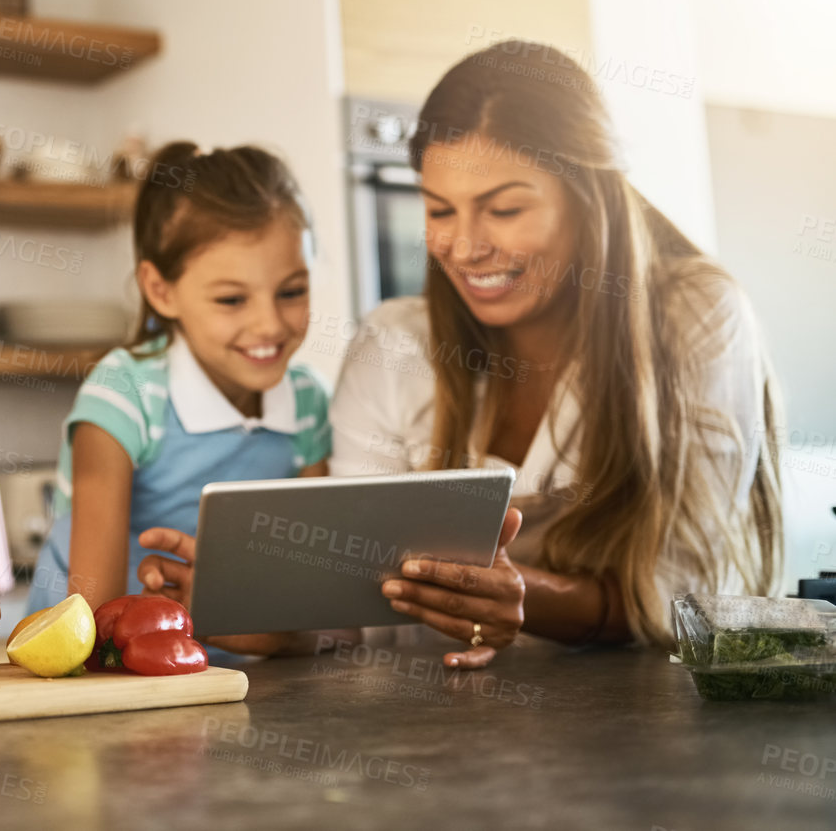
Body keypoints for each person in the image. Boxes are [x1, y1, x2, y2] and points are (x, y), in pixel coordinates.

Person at [326, 39, 782, 661]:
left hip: (640, 732)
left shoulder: (692, 318)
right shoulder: (392, 344)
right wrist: (277, 619)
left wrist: (526, 598)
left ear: (588, 197)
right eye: (439, 210)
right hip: (430, 732)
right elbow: (360, 604)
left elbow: (687, 593)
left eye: (505, 208)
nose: (464, 246)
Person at [25, 143, 334, 638]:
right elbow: (93, 625)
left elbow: (313, 606)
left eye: (292, 291)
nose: (270, 324)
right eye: (232, 299)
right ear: (161, 290)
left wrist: (248, 630)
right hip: (102, 666)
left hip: (238, 665)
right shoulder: (124, 394)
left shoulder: (308, 400)